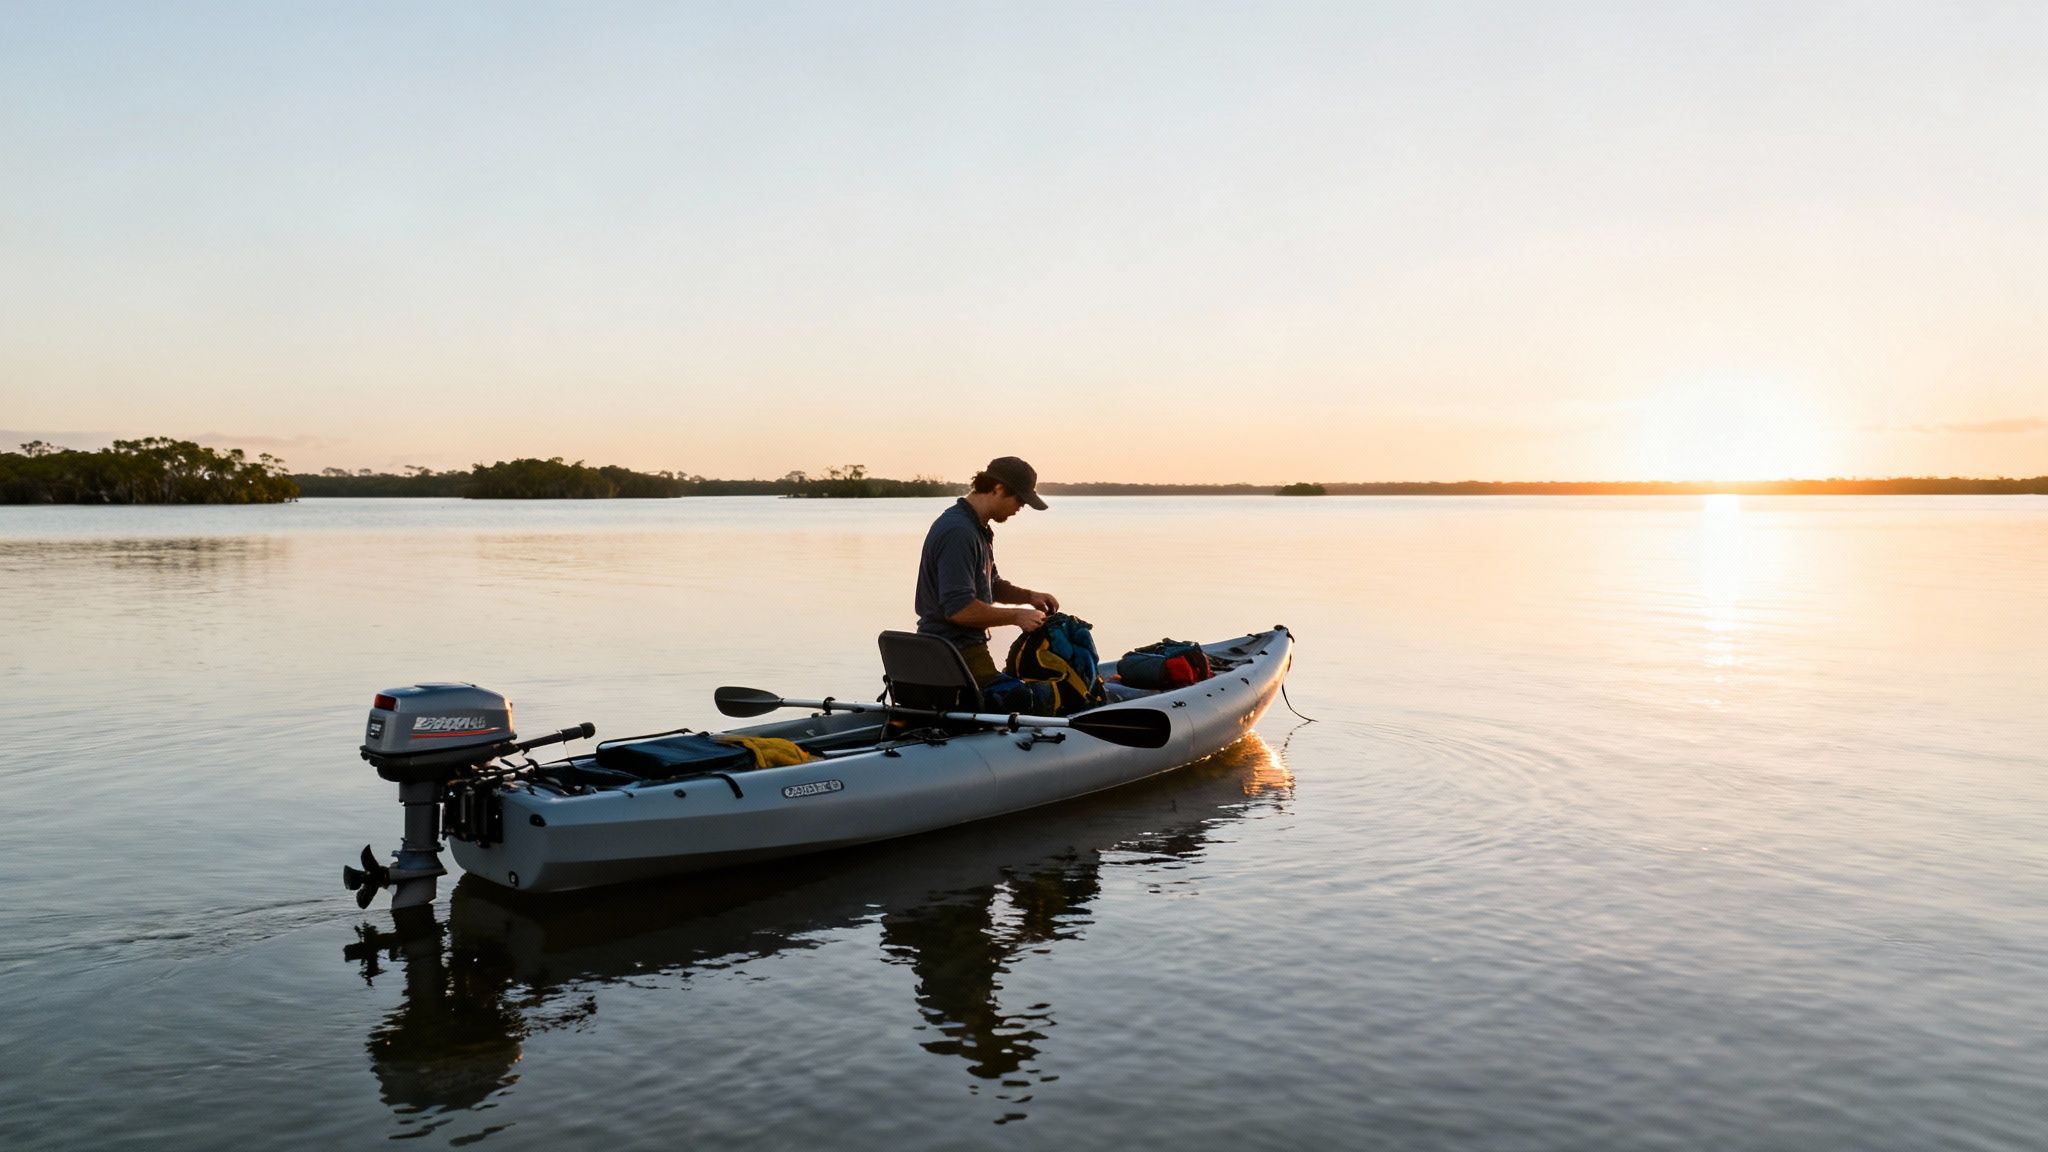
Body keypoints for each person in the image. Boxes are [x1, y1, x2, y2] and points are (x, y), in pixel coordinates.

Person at [915, 456, 1060, 686]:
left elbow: (990, 585)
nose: (1020, 508)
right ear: (998, 489)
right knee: (1040, 696)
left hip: (964, 652)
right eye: (1019, 500)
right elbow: (959, 609)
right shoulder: (959, 532)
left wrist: (1028, 597)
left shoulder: (977, 528)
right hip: (954, 656)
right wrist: (1016, 616)